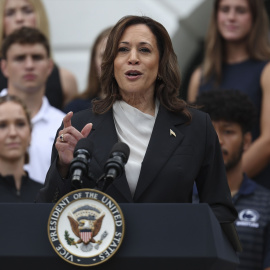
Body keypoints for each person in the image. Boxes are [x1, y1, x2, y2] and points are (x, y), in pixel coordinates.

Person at [36, 15, 238, 236]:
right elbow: (49, 209)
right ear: (112, 64)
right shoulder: (79, 125)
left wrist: (187, 235)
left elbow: (220, 209)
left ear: (161, 64)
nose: (133, 58)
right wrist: (64, 168)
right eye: (123, 50)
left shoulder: (195, 126)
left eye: (144, 50)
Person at [187, 0, 270, 190]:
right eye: (225, 9)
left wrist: (219, 184)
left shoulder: (266, 70)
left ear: (255, 18)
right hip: (207, 198)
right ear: (216, 16)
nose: (231, 17)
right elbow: (193, 141)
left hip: (255, 197)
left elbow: (268, 142)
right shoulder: (199, 77)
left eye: (240, 10)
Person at [193, 89, 270, 270]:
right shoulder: (180, 197)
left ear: (246, 141)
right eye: (210, 130)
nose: (218, 140)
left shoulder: (267, 204)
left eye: (228, 131)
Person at [0, 26, 65, 184]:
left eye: (36, 57)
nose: (29, 65)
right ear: (4, 67)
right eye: (20, 58)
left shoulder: (63, 125)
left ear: (50, 66)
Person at [0, 0, 78, 109]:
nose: (19, 18)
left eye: (27, 11)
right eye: (10, 13)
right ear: (4, 67)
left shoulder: (65, 80)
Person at [0, 95, 43, 202]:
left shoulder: (44, 196)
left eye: (20, 124)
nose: (13, 133)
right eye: (2, 125)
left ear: (30, 133)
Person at [63, 27, 112, 114]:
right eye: (104, 55)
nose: (109, 61)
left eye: (115, 55)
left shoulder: (140, 108)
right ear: (94, 62)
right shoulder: (77, 109)